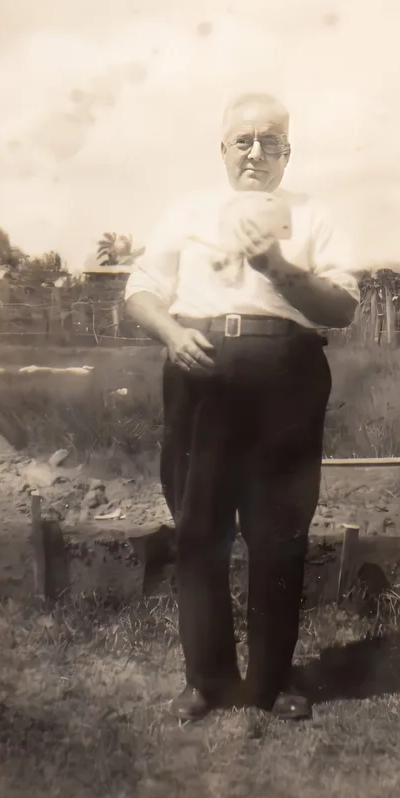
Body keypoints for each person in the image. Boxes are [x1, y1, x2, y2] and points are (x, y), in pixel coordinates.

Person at [125, 92, 359, 722]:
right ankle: (205, 679)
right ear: (223, 149)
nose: (257, 153)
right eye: (244, 141)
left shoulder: (314, 214)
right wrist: (173, 336)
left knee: (279, 532)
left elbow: (343, 307)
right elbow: (142, 290)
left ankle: (272, 683)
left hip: (287, 374)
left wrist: (278, 267)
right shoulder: (187, 211)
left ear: (289, 150)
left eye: (272, 141)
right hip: (201, 374)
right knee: (199, 530)